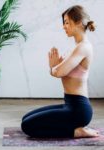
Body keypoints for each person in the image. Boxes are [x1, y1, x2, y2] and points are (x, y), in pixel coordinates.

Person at [21, 5, 99, 138]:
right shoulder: (77, 47)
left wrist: (53, 68)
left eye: (67, 22)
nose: (64, 26)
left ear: (79, 23)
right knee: (25, 118)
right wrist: (55, 67)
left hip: (78, 110)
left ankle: (76, 132)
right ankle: (72, 128)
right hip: (69, 104)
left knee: (27, 126)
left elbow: (58, 72)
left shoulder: (83, 48)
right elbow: (60, 70)